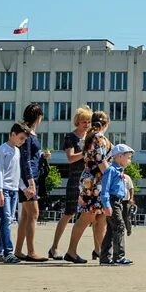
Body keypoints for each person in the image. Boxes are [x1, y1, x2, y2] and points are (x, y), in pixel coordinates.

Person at [64, 111, 112, 264]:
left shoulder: (94, 137)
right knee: (88, 217)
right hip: (94, 183)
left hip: (93, 182)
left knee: (99, 217)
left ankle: (100, 251)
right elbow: (101, 162)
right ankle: (71, 251)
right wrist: (113, 178)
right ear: (107, 123)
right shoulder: (98, 138)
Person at [49, 107, 91, 260]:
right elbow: (71, 158)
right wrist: (86, 152)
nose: (86, 125)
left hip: (88, 180)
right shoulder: (70, 137)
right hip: (75, 178)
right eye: (83, 122)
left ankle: (94, 249)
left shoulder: (90, 137)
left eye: (88, 122)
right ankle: (54, 247)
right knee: (68, 213)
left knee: (91, 214)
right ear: (77, 122)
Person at [14, 103, 47, 262]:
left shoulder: (30, 133)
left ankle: (19, 250)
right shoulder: (27, 133)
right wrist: (30, 182)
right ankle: (31, 251)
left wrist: (42, 157)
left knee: (27, 216)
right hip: (29, 178)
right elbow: (25, 160)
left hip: (31, 177)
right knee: (33, 213)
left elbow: (31, 157)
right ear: (38, 117)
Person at [0, 124, 29, 263]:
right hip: (4, 189)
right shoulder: (2, 150)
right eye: (21, 138)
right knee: (6, 220)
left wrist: (23, 188)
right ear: (12, 134)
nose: (22, 142)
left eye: (24, 139)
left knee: (7, 221)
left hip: (14, 190)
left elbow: (16, 173)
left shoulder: (17, 151)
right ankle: (8, 252)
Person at [97, 144, 134, 266]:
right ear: (119, 156)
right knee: (119, 226)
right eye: (128, 157)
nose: (129, 161)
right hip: (112, 201)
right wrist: (106, 204)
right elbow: (105, 189)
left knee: (111, 230)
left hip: (118, 201)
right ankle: (119, 256)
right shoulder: (111, 170)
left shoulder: (119, 171)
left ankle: (104, 257)